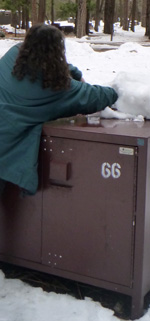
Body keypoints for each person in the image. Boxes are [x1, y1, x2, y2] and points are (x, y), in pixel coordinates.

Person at [0, 23, 118, 196]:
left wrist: (73, 72)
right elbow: (100, 95)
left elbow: (46, 61)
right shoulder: (59, 89)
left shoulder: (12, 57)